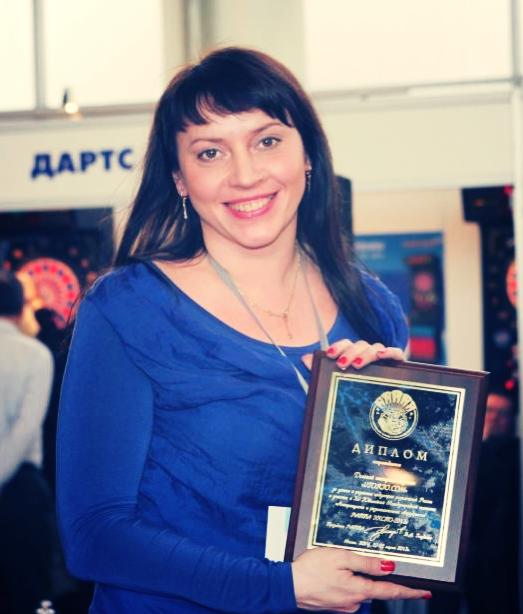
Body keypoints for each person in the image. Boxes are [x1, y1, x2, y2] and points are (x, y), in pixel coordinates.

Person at [57, 47, 431, 613]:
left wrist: (409, 424)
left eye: (267, 141)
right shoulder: (128, 309)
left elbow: (390, 507)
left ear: (308, 154)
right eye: (210, 152)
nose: (245, 175)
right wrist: (281, 587)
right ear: (180, 178)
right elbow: (95, 536)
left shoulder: (371, 307)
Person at [0, 271, 55, 614]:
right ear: (21, 308)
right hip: (21, 489)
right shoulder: (35, 354)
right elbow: (26, 427)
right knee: (27, 593)